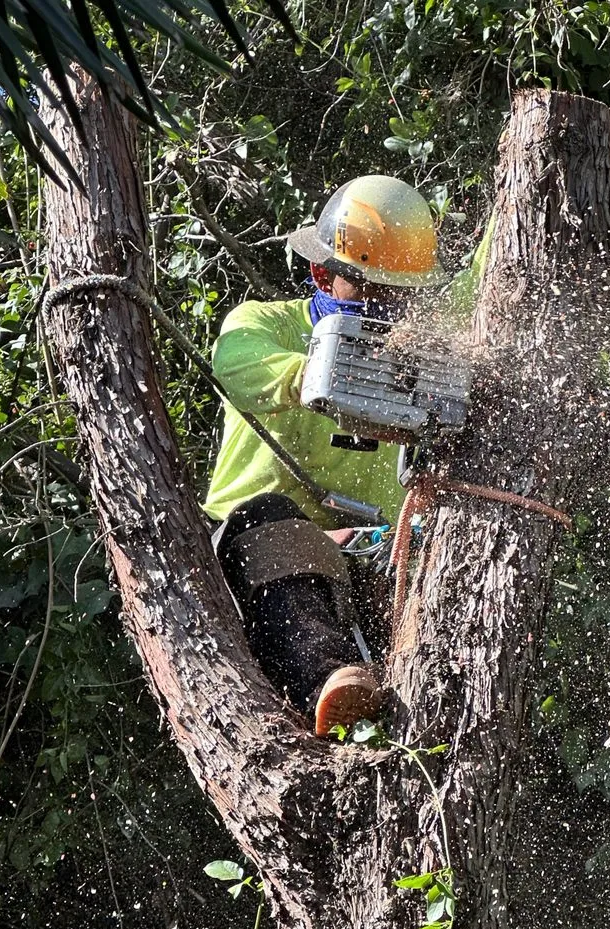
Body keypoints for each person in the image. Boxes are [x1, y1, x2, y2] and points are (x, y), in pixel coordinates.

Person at [204, 174, 487, 735]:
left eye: (401, 295)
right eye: (369, 290)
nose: (387, 309)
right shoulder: (267, 324)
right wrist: (317, 375)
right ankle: (331, 685)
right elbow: (234, 358)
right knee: (268, 521)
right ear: (322, 273)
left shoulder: (416, 348)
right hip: (259, 554)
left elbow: (481, 280)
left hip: (375, 555)